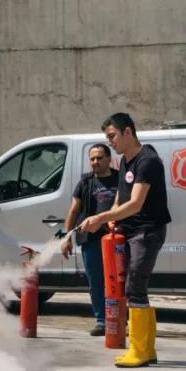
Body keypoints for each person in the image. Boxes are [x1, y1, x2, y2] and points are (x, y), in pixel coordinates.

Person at [79, 112, 172, 368]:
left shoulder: (147, 160)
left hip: (147, 232)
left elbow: (136, 203)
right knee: (135, 289)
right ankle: (147, 350)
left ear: (128, 132)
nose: (110, 142)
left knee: (134, 289)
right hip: (131, 231)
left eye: (112, 136)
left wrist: (100, 217)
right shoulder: (124, 160)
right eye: (107, 137)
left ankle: (139, 351)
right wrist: (112, 219)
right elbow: (121, 197)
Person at [61, 144, 119, 336]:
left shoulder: (121, 179)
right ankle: (102, 322)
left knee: (118, 281)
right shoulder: (85, 182)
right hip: (91, 241)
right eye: (92, 159)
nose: (95, 162)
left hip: (117, 239)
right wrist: (67, 237)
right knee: (96, 283)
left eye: (99, 158)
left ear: (109, 159)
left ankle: (119, 319)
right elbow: (74, 211)